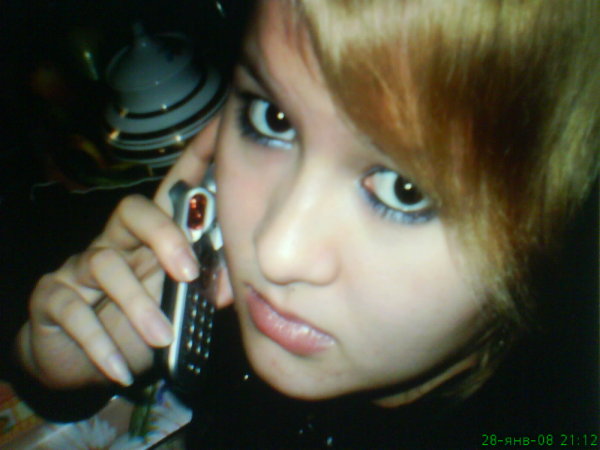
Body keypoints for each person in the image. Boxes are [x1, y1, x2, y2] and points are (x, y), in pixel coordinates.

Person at [12, 0, 599, 447]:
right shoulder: (209, 300)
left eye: (405, 191)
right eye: (273, 118)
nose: (274, 250)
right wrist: (63, 372)